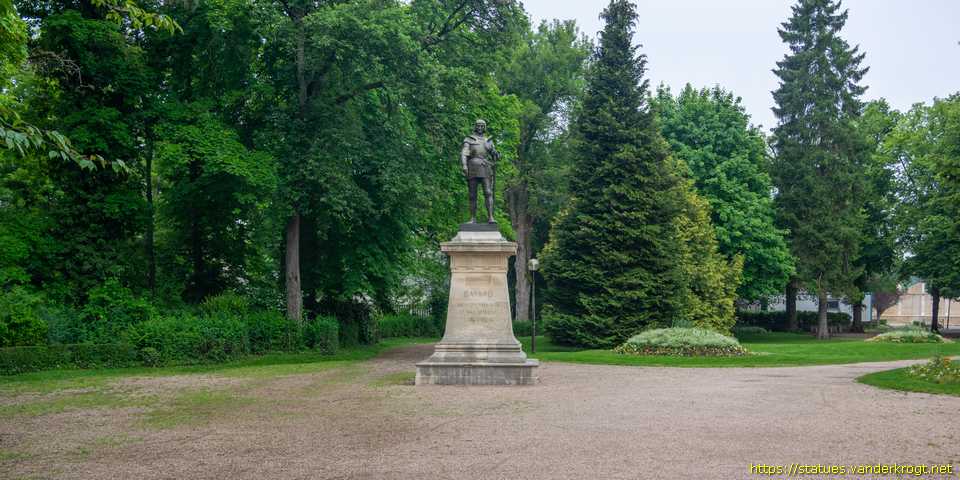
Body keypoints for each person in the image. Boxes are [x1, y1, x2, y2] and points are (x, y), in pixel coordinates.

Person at [460, 119, 500, 223]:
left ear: (485, 127)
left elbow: (495, 156)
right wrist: (464, 165)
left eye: (482, 126)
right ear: (475, 126)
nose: (480, 128)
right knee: (472, 194)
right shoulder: (469, 139)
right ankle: (472, 218)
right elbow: (464, 153)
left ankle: (490, 217)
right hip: (473, 166)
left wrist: (495, 152)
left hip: (485, 166)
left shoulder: (488, 141)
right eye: (478, 126)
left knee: (488, 192)